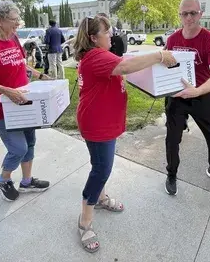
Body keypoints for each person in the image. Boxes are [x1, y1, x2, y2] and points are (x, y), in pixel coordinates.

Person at [73, 15, 176, 253]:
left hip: (102, 121)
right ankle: (84, 221)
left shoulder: (99, 55)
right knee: (101, 170)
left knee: (100, 165)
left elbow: (124, 62)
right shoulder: (96, 56)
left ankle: (101, 198)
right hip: (98, 124)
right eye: (107, 32)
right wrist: (160, 55)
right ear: (93, 38)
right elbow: (126, 66)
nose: (112, 35)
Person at [0, 1, 53, 202]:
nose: (18, 23)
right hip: (4, 106)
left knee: (30, 142)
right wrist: (6, 91)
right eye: (14, 19)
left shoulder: (14, 38)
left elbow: (20, 65)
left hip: (25, 100)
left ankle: (26, 182)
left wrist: (39, 75)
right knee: (18, 148)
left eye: (18, 19)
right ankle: (3, 179)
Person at [163, 0, 210, 196]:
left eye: (193, 13)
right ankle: (171, 174)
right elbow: (165, 66)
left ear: (200, 14)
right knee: (172, 139)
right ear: (180, 16)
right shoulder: (172, 39)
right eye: (184, 14)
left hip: (200, 94)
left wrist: (197, 91)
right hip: (177, 96)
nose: (189, 17)